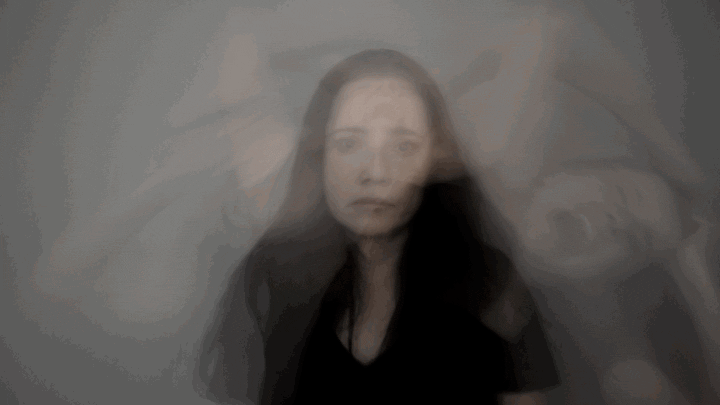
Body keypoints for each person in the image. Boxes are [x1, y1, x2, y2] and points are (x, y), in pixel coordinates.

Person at [197, 49, 560, 405]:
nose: (375, 172)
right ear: (320, 156)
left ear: (434, 159)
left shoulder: (489, 282)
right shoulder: (267, 278)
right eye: (348, 143)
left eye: (403, 147)